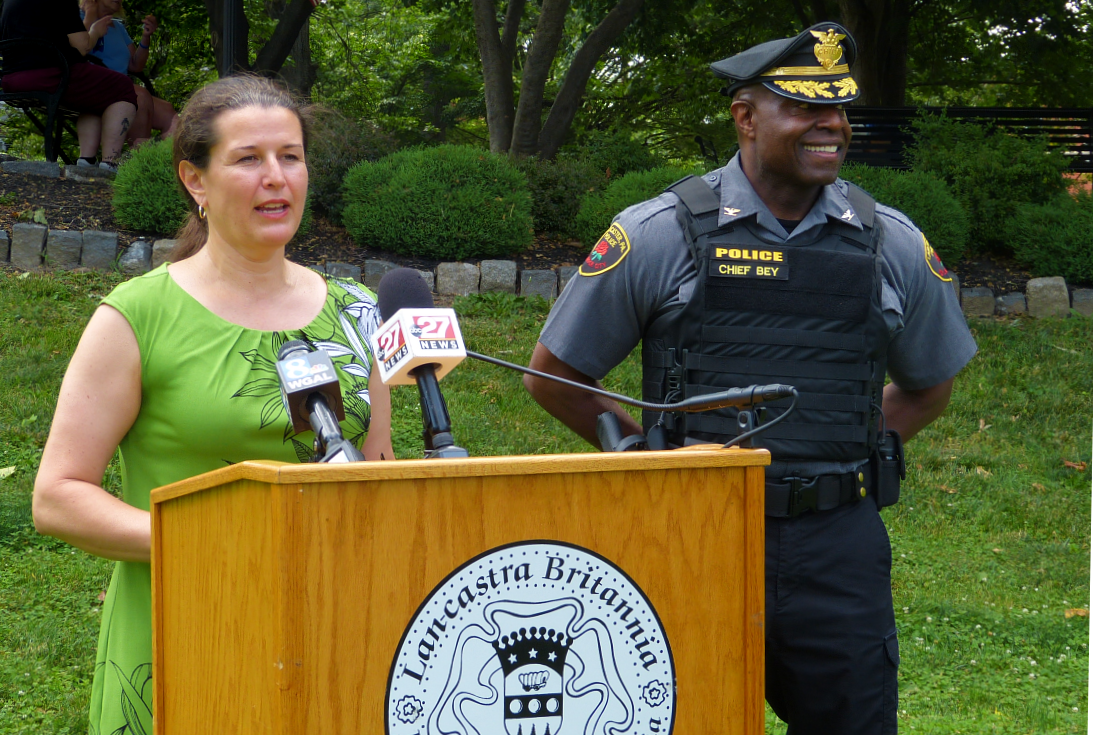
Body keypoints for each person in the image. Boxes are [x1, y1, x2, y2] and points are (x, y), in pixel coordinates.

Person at [524, 23, 976, 735]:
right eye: (804, 107)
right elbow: (554, 375)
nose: (831, 124)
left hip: (837, 545)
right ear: (744, 117)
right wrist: (650, 458)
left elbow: (929, 384)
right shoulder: (659, 234)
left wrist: (847, 448)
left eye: (839, 110)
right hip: (694, 534)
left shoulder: (890, 243)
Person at [32, 75, 393, 734]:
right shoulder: (138, 315)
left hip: (328, 637)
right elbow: (57, 494)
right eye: (248, 159)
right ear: (195, 181)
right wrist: (213, 541)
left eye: (290, 156)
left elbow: (379, 483)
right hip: (184, 633)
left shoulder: (356, 314)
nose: (276, 177)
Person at [0, 0, 137, 169]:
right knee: (122, 85)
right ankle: (109, 164)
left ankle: (86, 161)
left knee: (97, 93)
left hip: (10, 77)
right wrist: (94, 31)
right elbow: (82, 47)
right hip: (50, 74)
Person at [80, 0, 178, 147]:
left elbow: (135, 65)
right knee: (140, 97)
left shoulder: (118, 26)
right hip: (93, 87)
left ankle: (149, 151)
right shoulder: (78, 17)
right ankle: (139, 160)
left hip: (122, 88)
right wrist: (91, 15)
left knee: (170, 116)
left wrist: (146, 37)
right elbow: (72, 51)